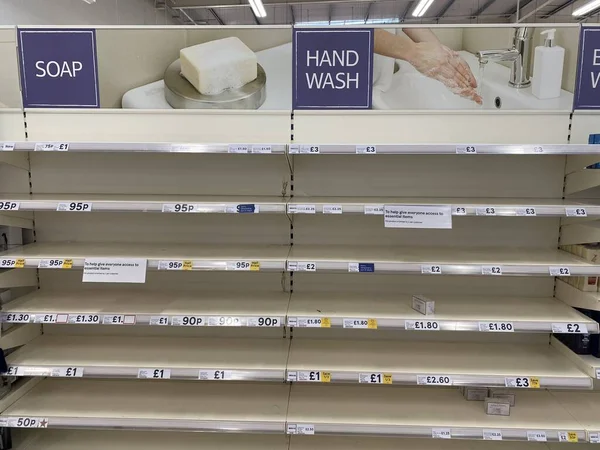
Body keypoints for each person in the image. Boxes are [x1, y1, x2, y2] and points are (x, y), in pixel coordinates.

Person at [374, 29, 482, 105]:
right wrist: (414, 52)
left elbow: (403, 10)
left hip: (377, 88)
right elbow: (357, 23)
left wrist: (440, 54)